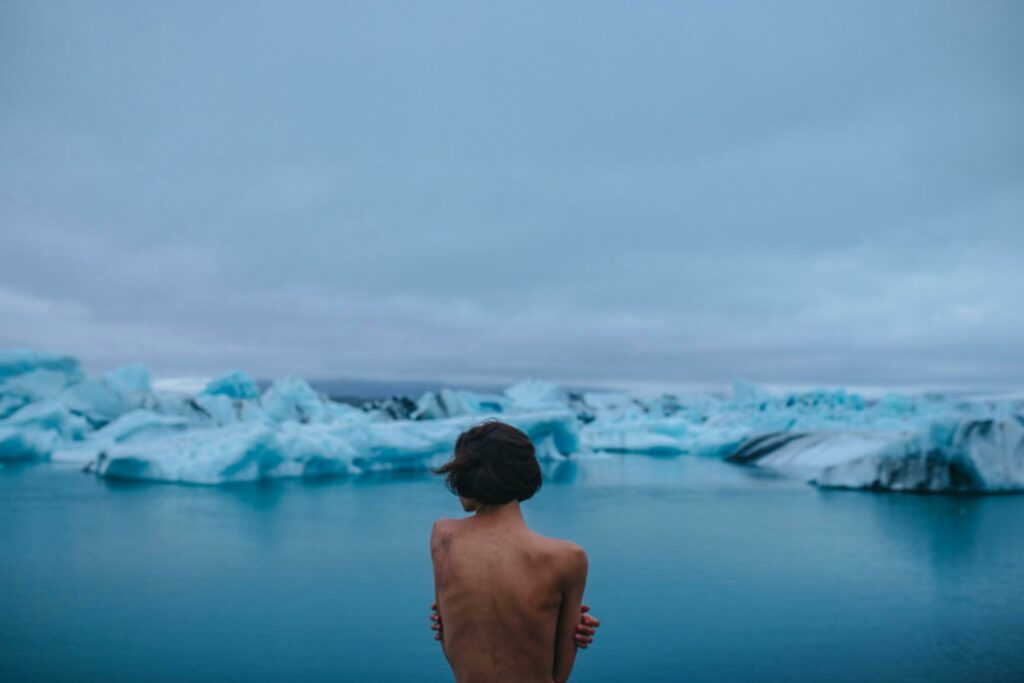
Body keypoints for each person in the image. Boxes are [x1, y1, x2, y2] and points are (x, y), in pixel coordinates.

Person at [429, 420, 599, 682]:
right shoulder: (567, 558)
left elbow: (450, 643)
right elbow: (559, 674)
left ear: (465, 475)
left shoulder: (444, 537)